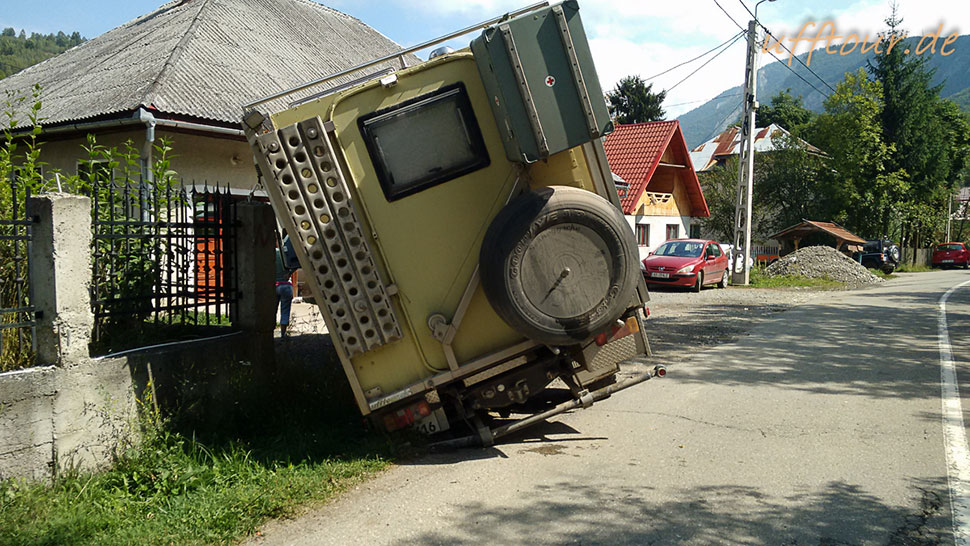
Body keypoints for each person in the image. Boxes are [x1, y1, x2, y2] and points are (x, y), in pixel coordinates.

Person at [275, 230, 299, 338]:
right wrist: (289, 273)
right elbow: (296, 264)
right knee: (285, 310)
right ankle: (283, 335)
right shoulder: (286, 252)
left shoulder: (271, 254)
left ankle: (269, 333)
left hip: (274, 285)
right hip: (286, 285)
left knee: (272, 310)